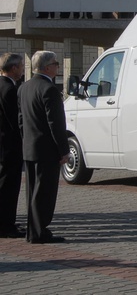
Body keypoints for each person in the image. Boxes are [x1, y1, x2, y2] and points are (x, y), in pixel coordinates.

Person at [18, 51, 70, 243]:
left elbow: (21, 120)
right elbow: (56, 124)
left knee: (32, 192)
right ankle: (39, 232)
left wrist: (26, 140)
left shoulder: (24, 87)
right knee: (45, 193)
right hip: (47, 151)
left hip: (30, 147)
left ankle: (34, 231)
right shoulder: (49, 90)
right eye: (56, 63)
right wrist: (63, 150)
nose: (58, 67)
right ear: (47, 67)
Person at [0, 53, 24, 238]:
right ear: (13, 68)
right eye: (21, 66)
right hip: (9, 145)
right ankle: (6, 225)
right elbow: (14, 121)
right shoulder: (9, 89)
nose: (23, 69)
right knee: (9, 186)